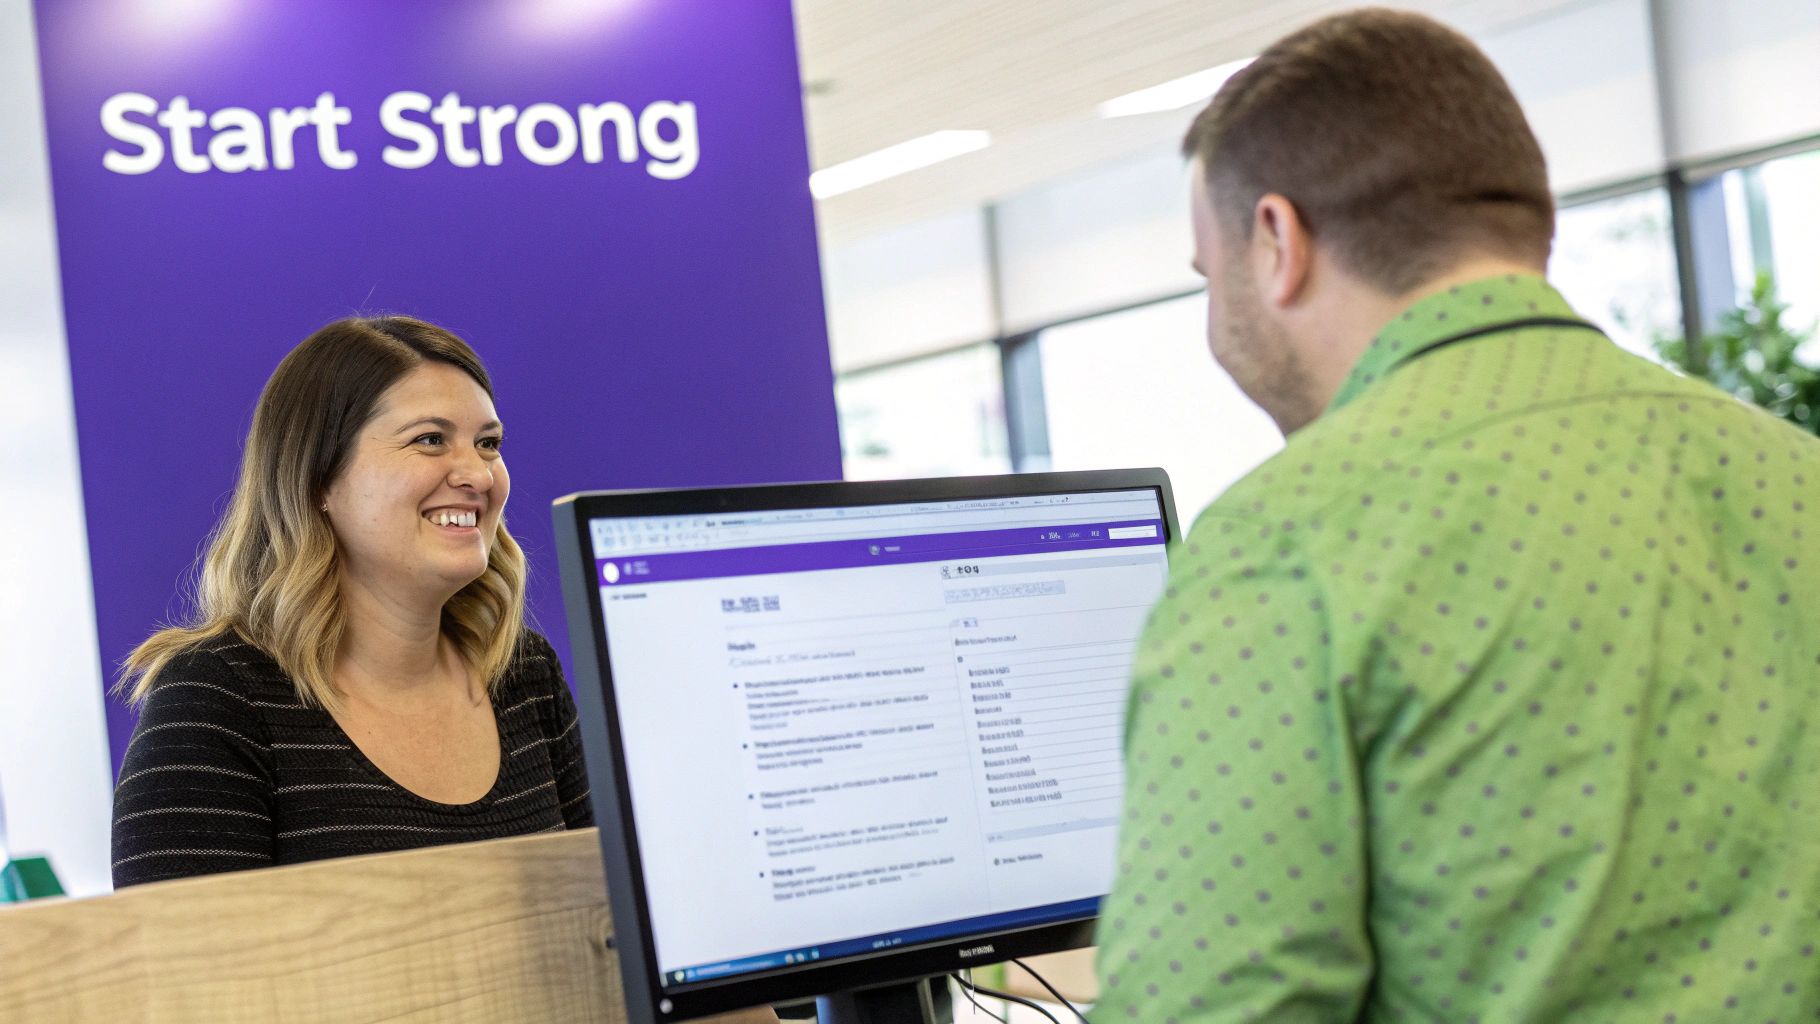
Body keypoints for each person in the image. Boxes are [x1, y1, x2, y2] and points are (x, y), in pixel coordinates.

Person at [1094, 8, 1820, 1022]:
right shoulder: (1793, 475)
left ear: (1274, 240)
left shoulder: (1288, 540)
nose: (1214, 321)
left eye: (1206, 278)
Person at [112, 316, 594, 887]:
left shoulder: (524, 675)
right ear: (317, 479)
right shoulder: (217, 702)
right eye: (430, 439)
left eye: (488, 444)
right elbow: (181, 971)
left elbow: (604, 924)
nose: (478, 475)